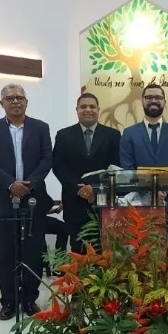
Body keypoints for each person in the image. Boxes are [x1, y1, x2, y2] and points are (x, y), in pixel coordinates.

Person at [0, 83, 53, 321]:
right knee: (6, 254)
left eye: (19, 98)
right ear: (2, 103)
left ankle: (29, 299)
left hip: (33, 201)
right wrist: (11, 183)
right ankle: (9, 302)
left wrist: (28, 184)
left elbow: (46, 160)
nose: (15, 102)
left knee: (32, 253)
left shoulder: (40, 128)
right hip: (4, 200)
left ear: (26, 102)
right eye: (9, 98)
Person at [120, 84, 168, 245]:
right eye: (149, 97)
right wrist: (151, 191)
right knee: (139, 254)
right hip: (139, 202)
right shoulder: (129, 133)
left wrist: (164, 189)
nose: (153, 101)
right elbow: (128, 167)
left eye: (158, 97)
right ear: (142, 101)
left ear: (164, 102)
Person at [52, 92, 121, 253]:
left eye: (92, 106)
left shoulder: (113, 135)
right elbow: (58, 166)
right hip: (74, 202)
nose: (88, 110)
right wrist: (79, 189)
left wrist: (94, 189)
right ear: (77, 110)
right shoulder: (64, 135)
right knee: (78, 249)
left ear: (98, 109)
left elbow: (117, 167)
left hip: (103, 201)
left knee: (105, 249)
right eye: (83, 107)